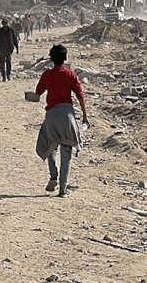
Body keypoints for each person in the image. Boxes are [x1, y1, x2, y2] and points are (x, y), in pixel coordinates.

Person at [33, 44, 90, 198]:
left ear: (51, 58)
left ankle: (53, 176)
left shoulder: (47, 75)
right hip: (67, 116)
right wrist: (84, 115)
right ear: (65, 58)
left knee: (50, 147)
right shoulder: (70, 74)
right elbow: (80, 96)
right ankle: (63, 190)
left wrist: (31, 97)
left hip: (51, 115)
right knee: (66, 152)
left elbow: (37, 94)